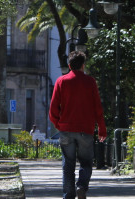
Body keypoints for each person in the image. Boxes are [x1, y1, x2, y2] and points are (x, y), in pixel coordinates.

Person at [49, 50, 107, 199]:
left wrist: (58, 124)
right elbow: (97, 108)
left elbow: (53, 107)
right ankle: (81, 186)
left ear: (69, 65)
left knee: (68, 165)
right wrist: (101, 128)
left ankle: (68, 195)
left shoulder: (61, 81)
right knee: (86, 162)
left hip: (66, 129)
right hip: (85, 130)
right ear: (83, 65)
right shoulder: (90, 82)